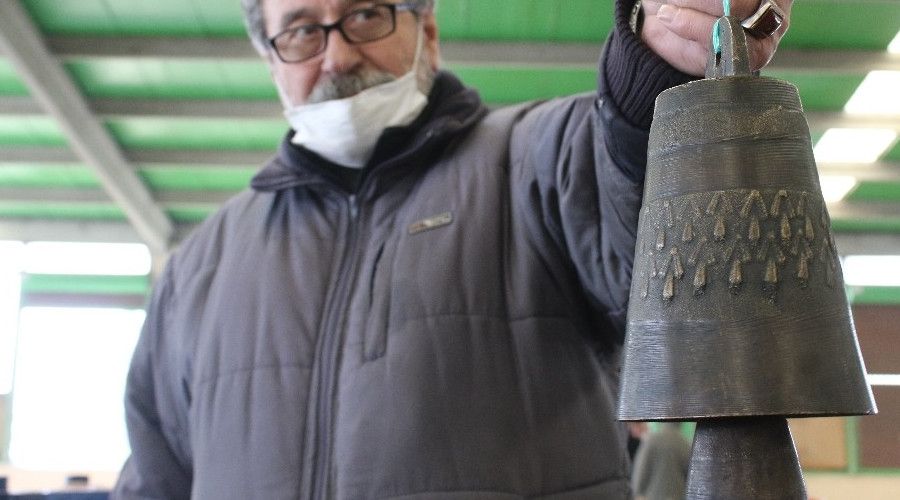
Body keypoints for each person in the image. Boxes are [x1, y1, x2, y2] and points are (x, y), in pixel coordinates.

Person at [112, 0, 791, 498]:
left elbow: (628, 173)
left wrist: (663, 54)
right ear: (270, 60)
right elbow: (155, 477)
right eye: (299, 31)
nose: (337, 56)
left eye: (366, 16)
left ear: (427, 31)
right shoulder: (199, 267)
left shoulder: (535, 164)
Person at [630, 423, 692, 500]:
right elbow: (690, 474)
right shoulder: (684, 443)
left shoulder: (652, 441)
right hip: (677, 496)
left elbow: (640, 471)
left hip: (652, 496)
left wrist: (636, 491)